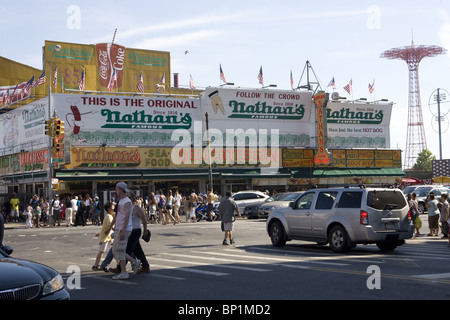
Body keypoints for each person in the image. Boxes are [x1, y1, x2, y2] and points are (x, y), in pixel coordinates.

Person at [106, 182, 140, 280]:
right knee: (115, 250)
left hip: (124, 229)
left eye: (117, 188)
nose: (116, 190)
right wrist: (110, 228)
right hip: (119, 228)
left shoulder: (127, 201)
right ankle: (134, 261)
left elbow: (126, 217)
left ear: (121, 189)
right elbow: (118, 216)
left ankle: (124, 272)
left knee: (119, 250)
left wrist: (122, 230)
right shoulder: (121, 200)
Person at [127, 192, 150, 273]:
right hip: (129, 231)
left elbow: (144, 219)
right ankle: (145, 266)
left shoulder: (135, 207)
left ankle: (120, 268)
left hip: (135, 231)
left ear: (133, 198)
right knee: (137, 250)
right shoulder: (127, 207)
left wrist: (145, 231)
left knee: (127, 250)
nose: (127, 199)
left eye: (128, 197)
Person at [92, 202, 115, 271]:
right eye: (113, 207)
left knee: (114, 251)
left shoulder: (110, 216)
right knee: (102, 251)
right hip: (105, 237)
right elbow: (111, 227)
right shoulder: (109, 217)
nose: (114, 209)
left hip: (109, 237)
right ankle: (96, 265)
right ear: (108, 209)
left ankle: (119, 265)